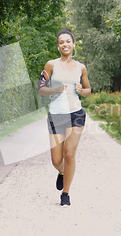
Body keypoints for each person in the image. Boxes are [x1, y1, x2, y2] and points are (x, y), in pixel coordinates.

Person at [37, 28, 91, 206]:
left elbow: (88, 90)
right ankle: (61, 172)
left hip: (75, 114)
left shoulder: (81, 67)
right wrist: (54, 89)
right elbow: (41, 88)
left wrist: (82, 91)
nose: (65, 44)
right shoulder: (50, 65)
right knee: (56, 160)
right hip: (56, 115)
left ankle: (65, 194)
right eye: (61, 42)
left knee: (69, 154)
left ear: (73, 44)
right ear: (58, 46)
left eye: (68, 41)